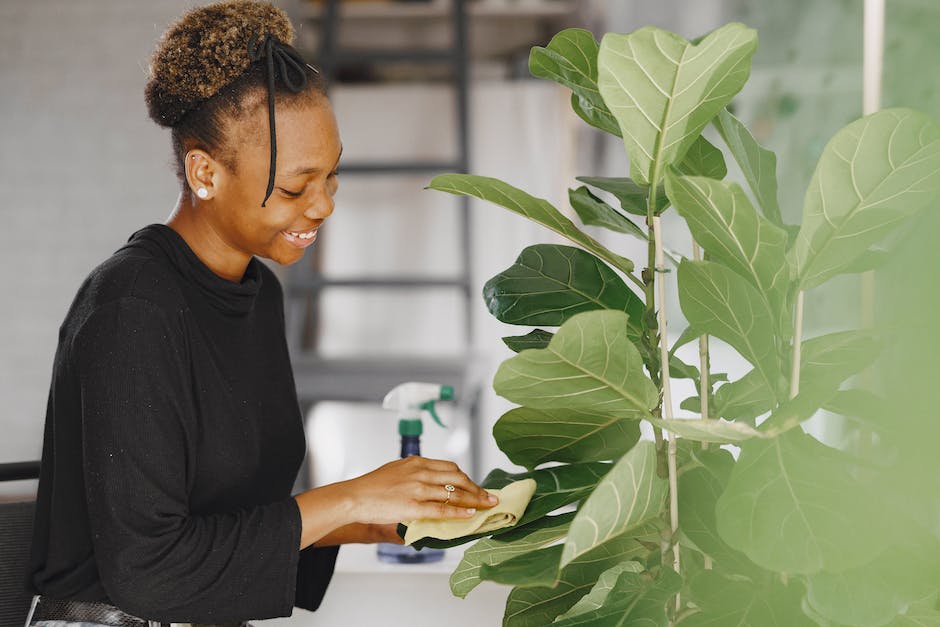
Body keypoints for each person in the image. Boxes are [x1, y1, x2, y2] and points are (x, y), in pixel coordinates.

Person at [24, 2, 496, 625]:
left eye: (332, 176)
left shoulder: (258, 294)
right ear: (204, 172)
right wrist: (350, 496)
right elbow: (150, 573)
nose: (324, 206)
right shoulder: (131, 310)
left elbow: (238, 525)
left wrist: (377, 520)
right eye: (296, 188)